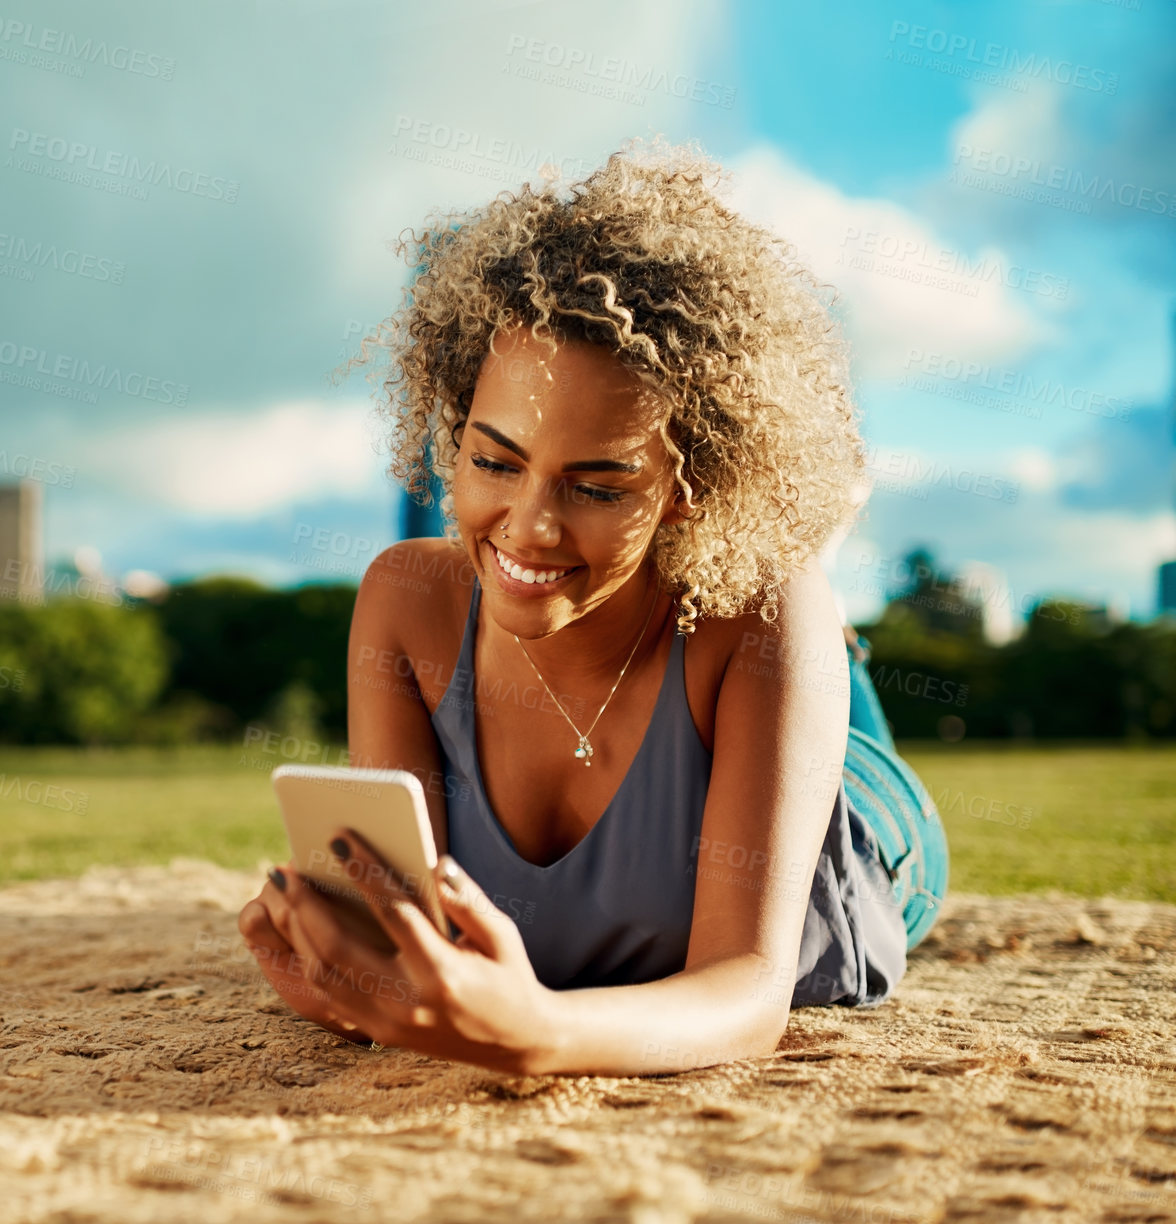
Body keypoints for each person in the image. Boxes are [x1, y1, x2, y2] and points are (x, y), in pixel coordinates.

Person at [237, 139, 948, 1077]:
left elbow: (746, 991)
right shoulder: (405, 600)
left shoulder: (764, 612)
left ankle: (824, 619)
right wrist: (355, 977)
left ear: (691, 485)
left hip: (857, 815)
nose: (526, 529)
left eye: (599, 485)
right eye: (493, 462)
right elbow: (412, 941)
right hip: (718, 638)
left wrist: (539, 1033)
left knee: (789, 601)